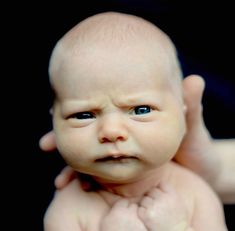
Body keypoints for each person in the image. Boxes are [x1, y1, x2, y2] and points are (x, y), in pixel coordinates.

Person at [42, 12, 228, 230]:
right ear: (55, 122)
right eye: (84, 115)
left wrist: (178, 227)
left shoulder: (196, 193)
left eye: (141, 110)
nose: (111, 131)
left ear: (183, 111)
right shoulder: (67, 211)